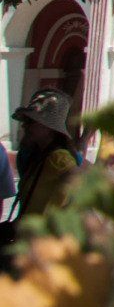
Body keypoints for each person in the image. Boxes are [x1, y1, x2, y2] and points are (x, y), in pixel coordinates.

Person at [3, 90, 82, 255]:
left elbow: (78, 177)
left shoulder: (58, 157)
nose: (24, 126)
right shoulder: (37, 156)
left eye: (31, 122)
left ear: (49, 129)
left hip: (42, 248)